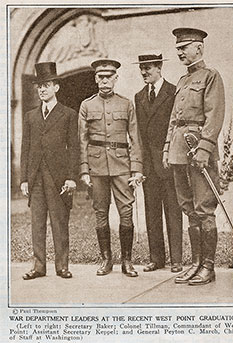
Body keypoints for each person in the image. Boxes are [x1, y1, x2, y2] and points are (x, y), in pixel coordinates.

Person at [163, 28, 225, 285]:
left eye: (184, 47)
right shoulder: (181, 81)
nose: (179, 52)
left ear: (199, 48)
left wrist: (205, 149)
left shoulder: (211, 77)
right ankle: (195, 263)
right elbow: (174, 120)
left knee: (204, 208)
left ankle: (208, 267)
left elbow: (214, 115)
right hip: (179, 150)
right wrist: (167, 148)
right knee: (188, 208)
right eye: (177, 48)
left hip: (198, 150)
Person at [78, 59, 143, 277]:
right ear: (95, 79)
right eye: (100, 77)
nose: (105, 81)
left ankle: (127, 260)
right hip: (96, 166)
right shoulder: (87, 105)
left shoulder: (126, 104)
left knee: (126, 212)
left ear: (116, 78)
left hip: (122, 165)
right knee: (100, 212)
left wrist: (136, 169)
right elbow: (82, 141)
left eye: (109, 76)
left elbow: (135, 138)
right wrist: (84, 169)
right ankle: (106, 260)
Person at [20, 62, 79, 280]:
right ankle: (38, 266)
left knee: (59, 221)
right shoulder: (30, 116)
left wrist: (72, 178)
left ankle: (62, 266)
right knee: (37, 222)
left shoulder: (68, 114)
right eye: (39, 86)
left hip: (58, 178)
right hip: (35, 177)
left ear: (56, 87)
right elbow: (25, 148)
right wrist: (24, 179)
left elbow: (74, 148)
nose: (42, 89)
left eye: (46, 85)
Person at [134, 52, 183, 273]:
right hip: (148, 165)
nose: (144, 72)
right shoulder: (139, 96)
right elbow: (140, 135)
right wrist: (140, 165)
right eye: (142, 68)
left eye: (149, 68)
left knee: (173, 210)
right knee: (151, 212)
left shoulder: (173, 92)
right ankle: (157, 258)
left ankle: (177, 259)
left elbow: (175, 127)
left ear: (159, 68)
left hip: (168, 161)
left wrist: (170, 155)